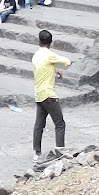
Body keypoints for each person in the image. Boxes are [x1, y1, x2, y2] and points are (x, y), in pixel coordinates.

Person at [32, 29, 71, 161]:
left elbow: (44, 65)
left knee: (39, 124)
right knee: (60, 123)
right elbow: (66, 61)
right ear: (51, 42)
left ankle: (37, 152)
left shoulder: (37, 55)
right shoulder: (49, 55)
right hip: (49, 95)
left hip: (39, 94)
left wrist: (54, 69)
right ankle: (60, 152)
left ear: (39, 41)